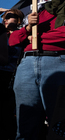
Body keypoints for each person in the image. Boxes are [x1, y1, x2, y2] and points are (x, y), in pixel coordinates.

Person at [9, 0, 65, 140]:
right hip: (27, 65)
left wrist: (34, 38)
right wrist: (29, 27)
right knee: (26, 125)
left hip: (58, 63)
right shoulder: (37, 12)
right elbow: (13, 40)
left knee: (59, 124)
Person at [0, 9, 24, 140]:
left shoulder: (23, 36)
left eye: (9, 17)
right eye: (4, 17)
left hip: (12, 77)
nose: (5, 19)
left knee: (7, 113)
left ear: (19, 21)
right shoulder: (0, 33)